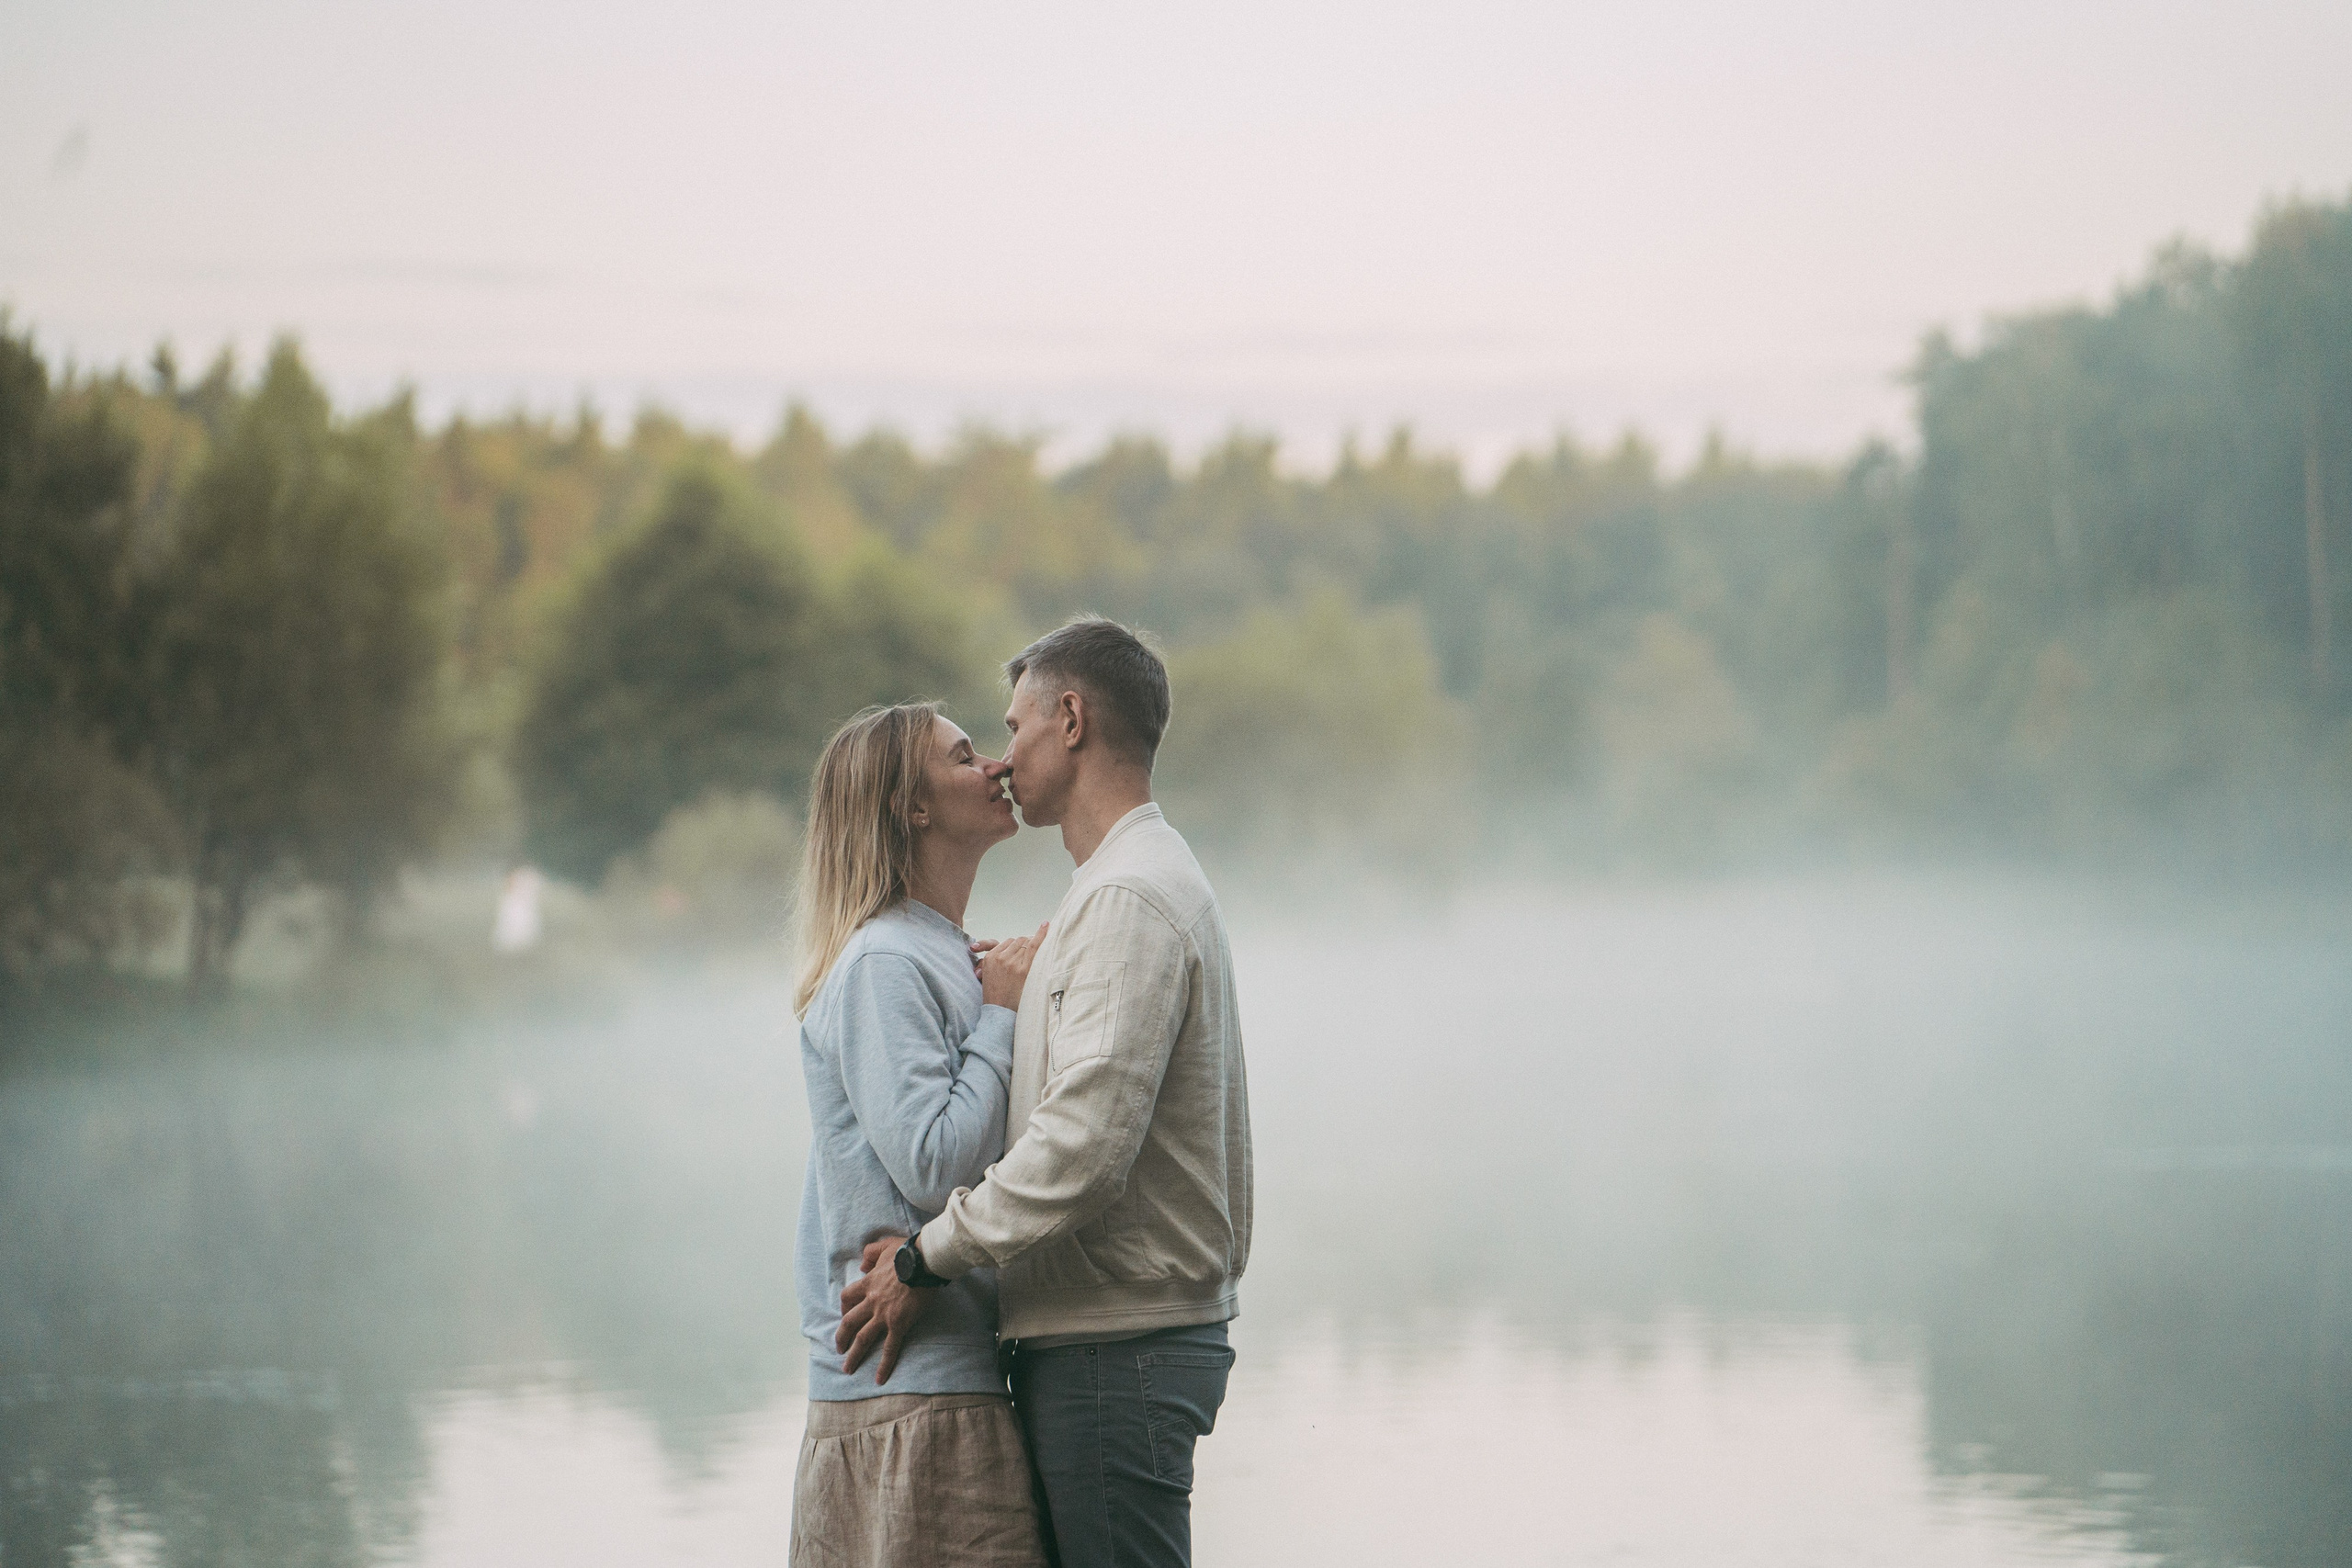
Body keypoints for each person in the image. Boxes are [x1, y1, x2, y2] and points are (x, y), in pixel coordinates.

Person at [838, 619, 1253, 1568]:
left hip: (1120, 1349)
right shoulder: (1109, 894)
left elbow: (1083, 1149)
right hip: (1113, 1341)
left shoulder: (1128, 899)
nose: (1001, 758)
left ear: (1070, 719)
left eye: (1013, 726)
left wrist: (920, 1261)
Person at [789, 701, 1053, 1568]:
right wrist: (1000, 1017)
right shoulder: (884, 962)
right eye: (964, 754)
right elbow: (936, 1165)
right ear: (914, 808)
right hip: (912, 1398)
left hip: (942, 1386)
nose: (995, 767)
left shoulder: (933, 951)